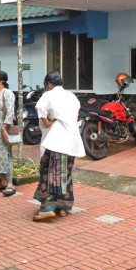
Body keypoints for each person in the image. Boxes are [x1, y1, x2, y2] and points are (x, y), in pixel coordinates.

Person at [32, 72, 85, 222]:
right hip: (71, 140)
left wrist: (48, 123)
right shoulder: (72, 96)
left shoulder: (48, 95)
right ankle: (63, 207)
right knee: (65, 172)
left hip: (56, 139)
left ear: (49, 84)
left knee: (49, 171)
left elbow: (40, 107)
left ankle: (48, 208)